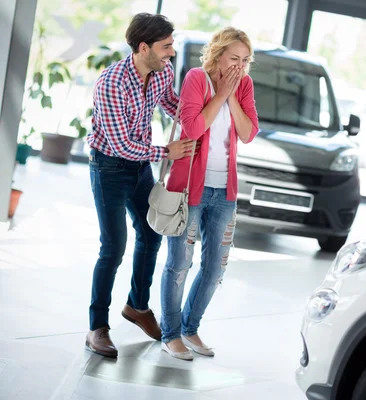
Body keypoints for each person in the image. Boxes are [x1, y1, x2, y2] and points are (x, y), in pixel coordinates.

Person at [86, 13, 194, 358]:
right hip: (109, 167)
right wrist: (168, 151)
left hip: (139, 168)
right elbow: (119, 145)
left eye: (172, 45)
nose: (172, 53)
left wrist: (205, 110)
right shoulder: (111, 82)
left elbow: (172, 106)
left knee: (151, 234)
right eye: (166, 46)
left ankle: (137, 306)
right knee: (113, 246)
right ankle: (97, 327)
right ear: (143, 47)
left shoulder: (160, 73)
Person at [160, 27, 259, 360]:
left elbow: (247, 133)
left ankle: (190, 328)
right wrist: (219, 94)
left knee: (215, 267)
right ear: (217, 54)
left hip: (225, 191)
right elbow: (191, 128)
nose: (240, 66)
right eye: (234, 58)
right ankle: (170, 334)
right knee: (179, 264)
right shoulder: (196, 79)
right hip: (190, 189)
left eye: (245, 60)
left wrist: (232, 94)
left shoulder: (243, 85)